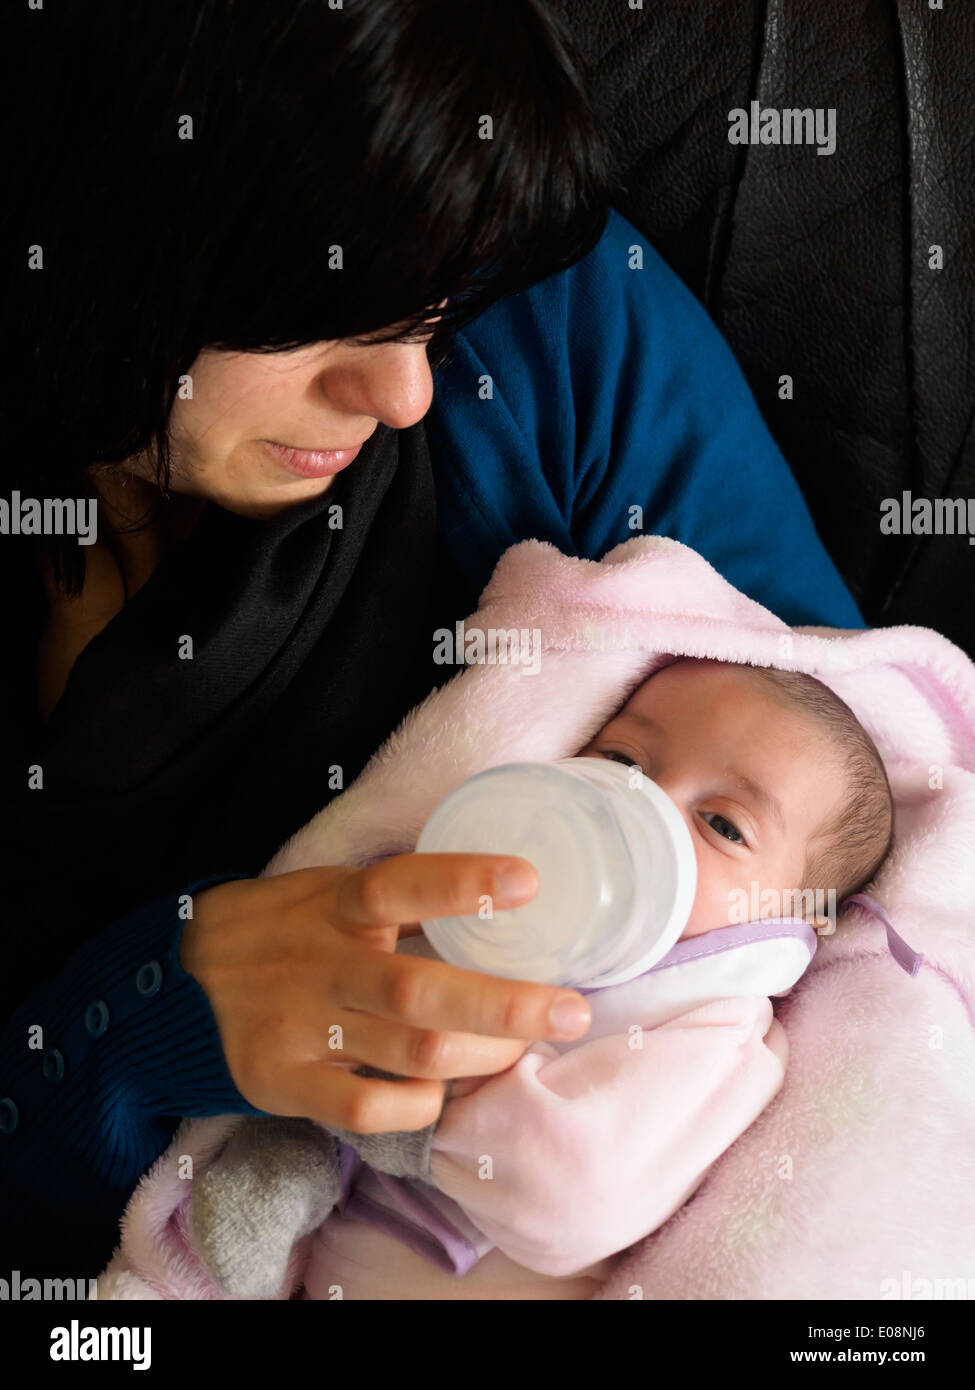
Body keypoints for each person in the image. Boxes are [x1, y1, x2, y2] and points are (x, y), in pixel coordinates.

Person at [0, 0, 864, 1278]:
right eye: (325, 311)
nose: (401, 394)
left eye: (434, 309)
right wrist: (152, 1015)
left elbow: (874, 797)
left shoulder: (549, 328)